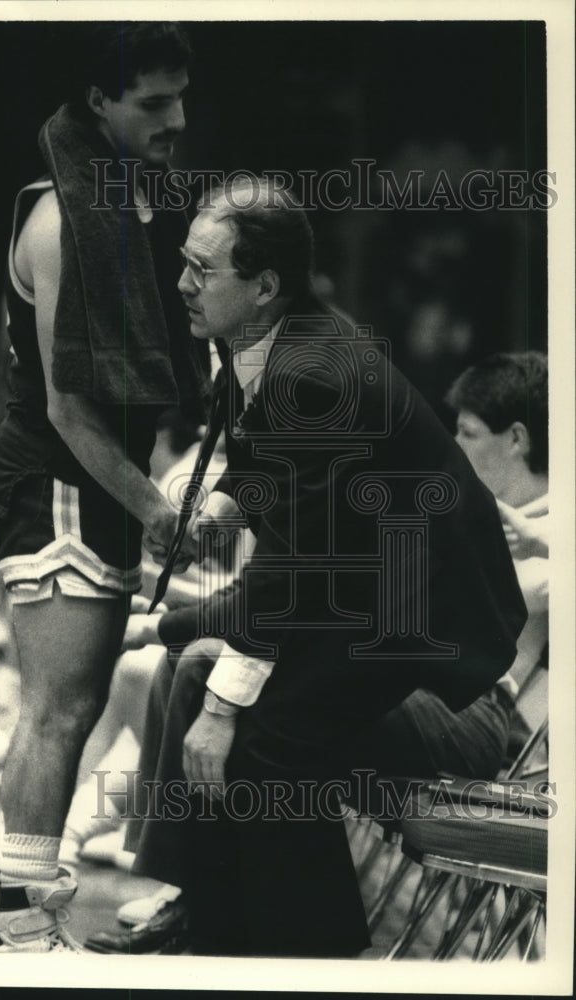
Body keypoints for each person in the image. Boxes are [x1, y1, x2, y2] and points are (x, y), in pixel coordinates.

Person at [89, 179, 527, 958]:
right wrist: (221, 511)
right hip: (362, 606)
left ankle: (306, 956)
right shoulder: (277, 338)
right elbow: (269, 467)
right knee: (198, 673)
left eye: (202, 269)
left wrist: (209, 682)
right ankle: (209, 917)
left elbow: (294, 571)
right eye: (184, 263)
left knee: (267, 735)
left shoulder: (315, 373)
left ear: (264, 284)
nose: (182, 283)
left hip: (423, 638)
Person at [0, 23, 210, 953]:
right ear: (98, 104)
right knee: (57, 708)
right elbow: (71, 410)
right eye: (153, 103)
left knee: (69, 708)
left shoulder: (122, 195)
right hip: (56, 476)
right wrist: (159, 508)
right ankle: (17, 921)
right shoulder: (64, 219)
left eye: (181, 97)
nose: (176, 120)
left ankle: (21, 907)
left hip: (97, 475)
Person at [446, 352, 549, 728]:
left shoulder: (553, 537)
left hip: (502, 729)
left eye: (468, 433)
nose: (454, 445)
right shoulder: (477, 514)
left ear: (516, 439)